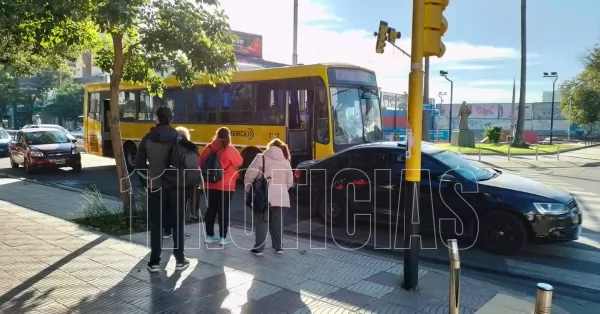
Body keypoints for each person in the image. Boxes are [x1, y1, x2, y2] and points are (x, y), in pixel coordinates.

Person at [134, 107, 190, 273]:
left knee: (157, 225)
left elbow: (139, 166)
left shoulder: (147, 139)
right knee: (178, 225)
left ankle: (154, 262)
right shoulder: (179, 137)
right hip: (176, 188)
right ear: (170, 119)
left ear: (157, 119)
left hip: (156, 186)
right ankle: (180, 260)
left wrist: (148, 182)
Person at [244, 138, 293, 256]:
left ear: (269, 147)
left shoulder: (261, 158)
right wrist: (281, 188)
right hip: (281, 196)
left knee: (261, 221)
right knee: (277, 222)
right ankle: (279, 247)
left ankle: (259, 249)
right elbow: (290, 181)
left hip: (263, 196)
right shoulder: (286, 161)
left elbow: (249, 175)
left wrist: (249, 189)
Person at [199, 127, 243, 245]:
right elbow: (239, 162)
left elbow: (201, 163)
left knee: (211, 210)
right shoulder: (229, 149)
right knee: (224, 211)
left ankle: (209, 236)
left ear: (216, 135)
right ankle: (223, 238)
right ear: (228, 136)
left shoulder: (208, 148)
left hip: (210, 184)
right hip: (226, 185)